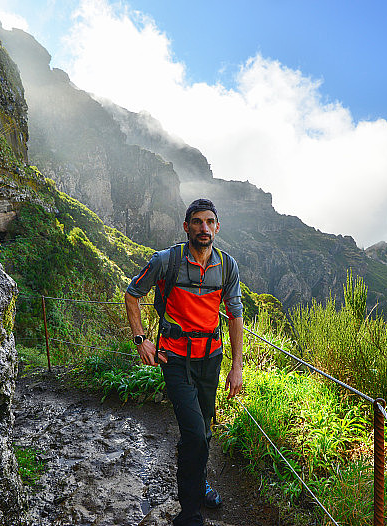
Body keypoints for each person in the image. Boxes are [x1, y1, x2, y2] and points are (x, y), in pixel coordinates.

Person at [125, 198, 244, 526]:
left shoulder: (227, 266)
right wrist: (140, 339)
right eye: (197, 222)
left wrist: (237, 366)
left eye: (210, 222)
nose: (203, 228)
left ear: (217, 227)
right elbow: (132, 293)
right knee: (194, 432)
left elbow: (234, 315)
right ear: (186, 226)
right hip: (174, 359)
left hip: (211, 359)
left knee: (203, 430)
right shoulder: (166, 261)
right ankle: (189, 513)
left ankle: (198, 479)